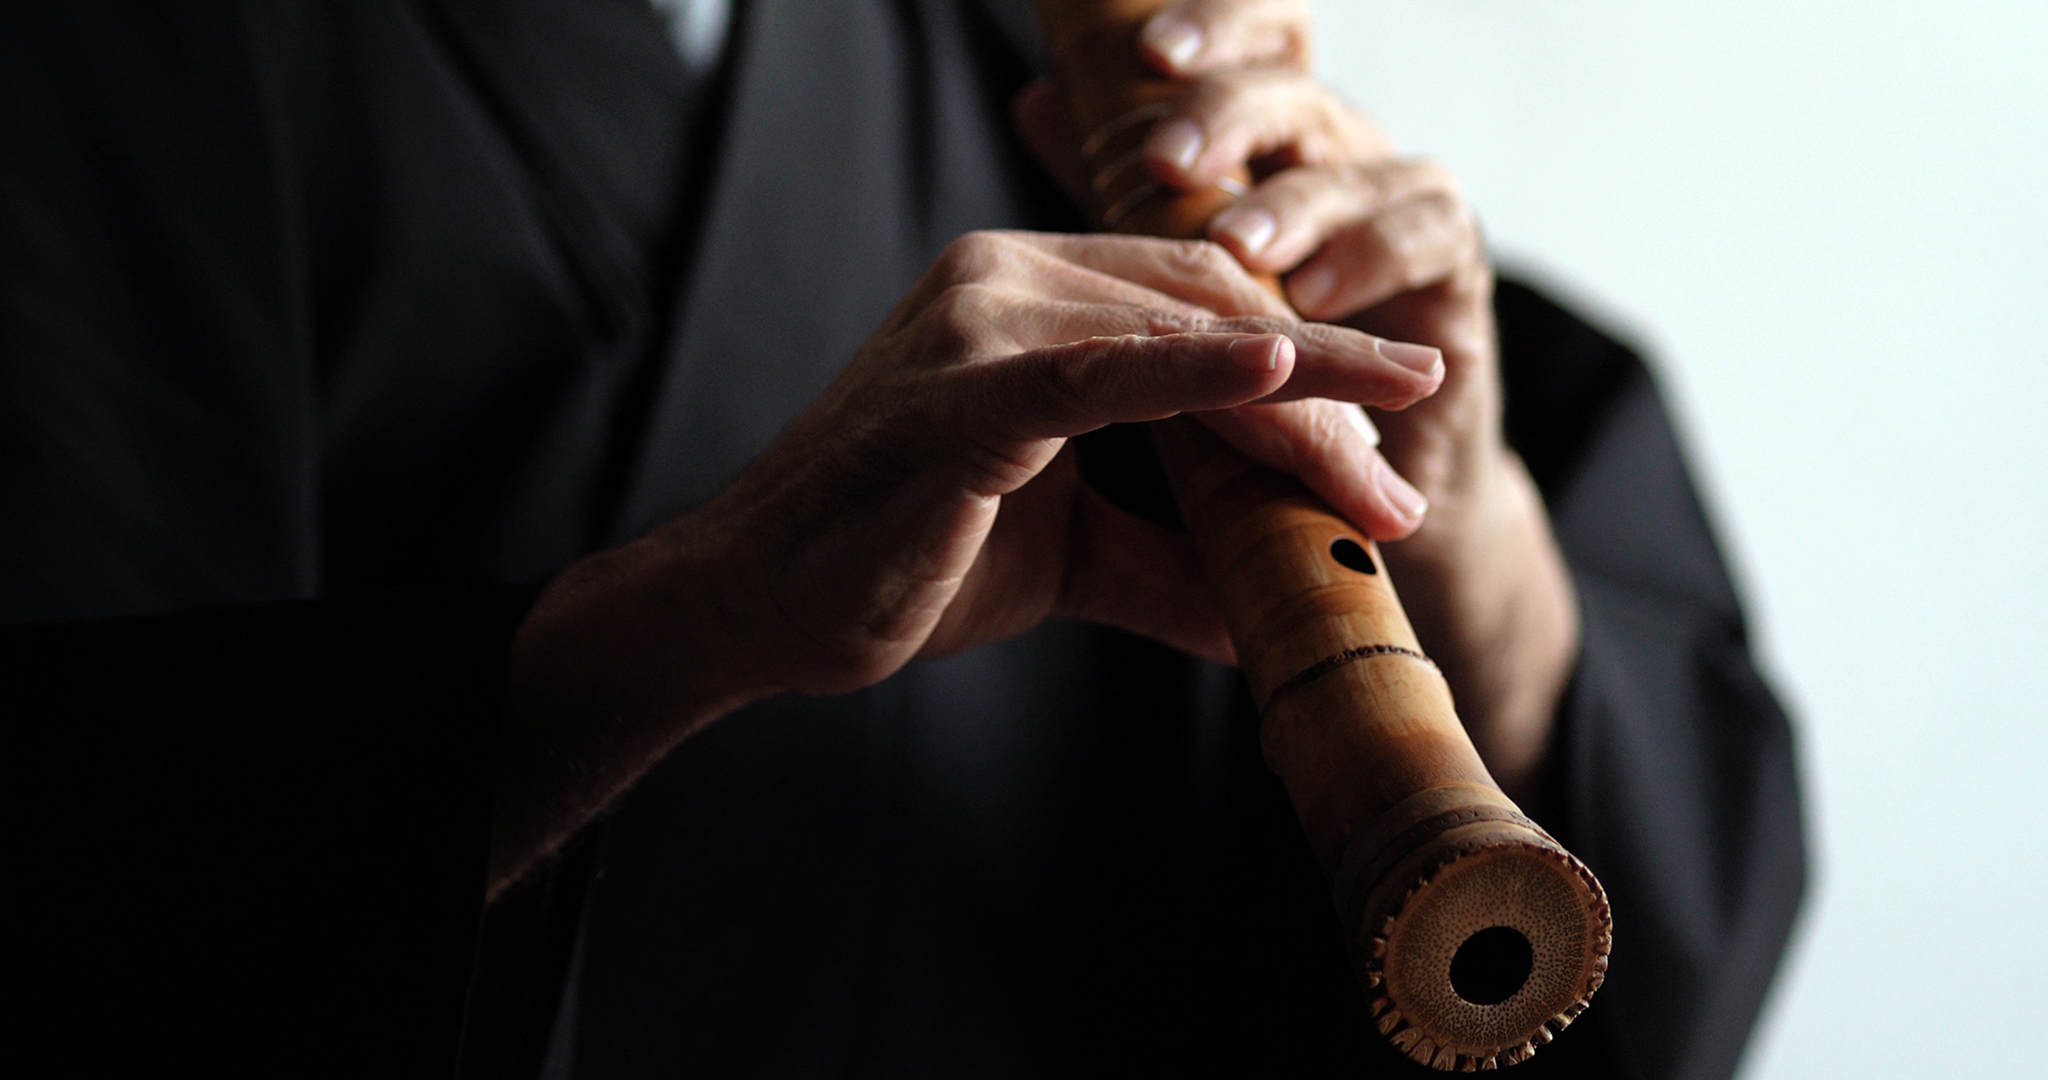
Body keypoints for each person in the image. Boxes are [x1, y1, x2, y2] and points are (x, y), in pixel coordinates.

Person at [1, 1, 1804, 1076]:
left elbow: (1638, 1014)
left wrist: (1464, 541)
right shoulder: (126, 57)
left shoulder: (1056, 93)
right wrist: (699, 615)